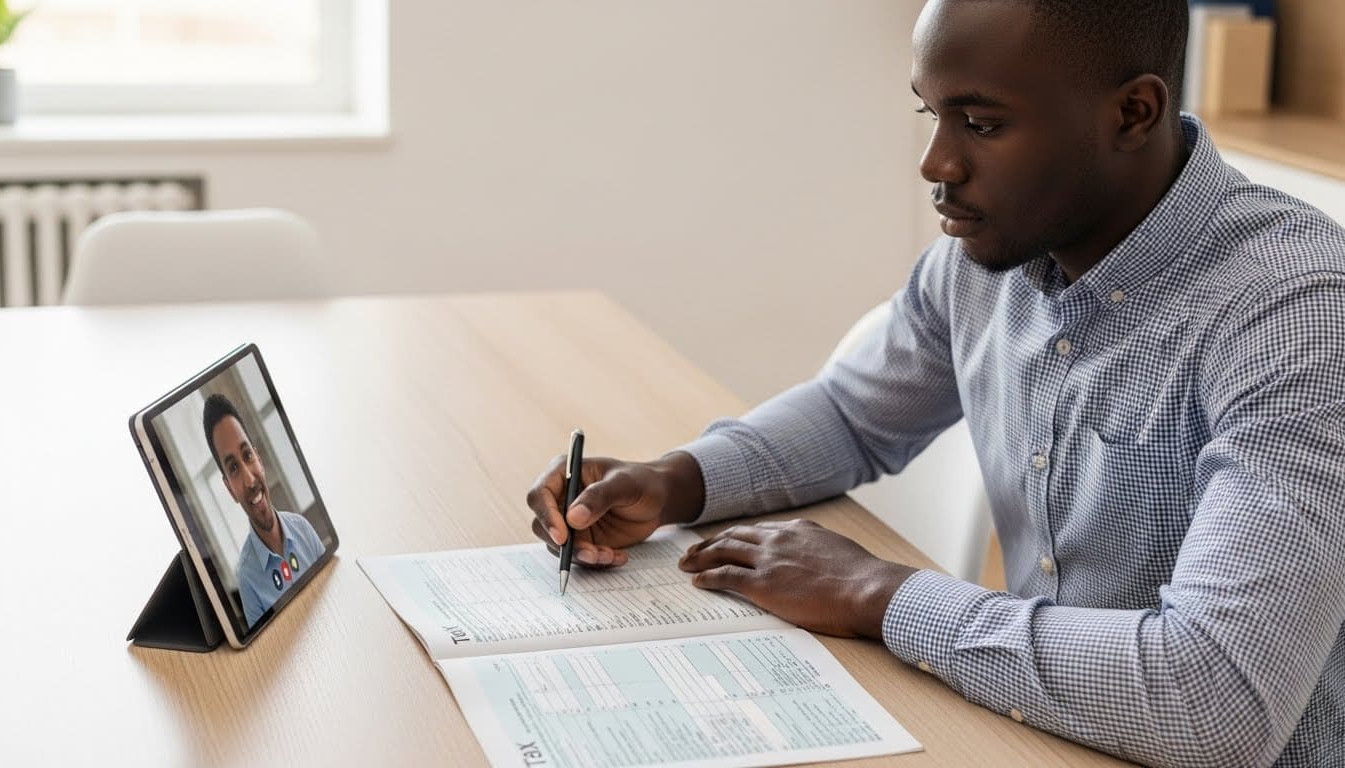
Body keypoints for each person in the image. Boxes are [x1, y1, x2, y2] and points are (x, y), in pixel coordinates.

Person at [526, 1, 1345, 765]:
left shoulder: (1297, 313)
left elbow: (1214, 698)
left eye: (981, 124)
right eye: (932, 115)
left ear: (1131, 113)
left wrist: (874, 592)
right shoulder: (989, 256)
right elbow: (851, 415)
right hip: (1043, 732)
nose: (935, 163)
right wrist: (676, 481)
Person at [202, 393, 325, 627]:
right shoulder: (247, 578)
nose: (250, 480)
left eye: (248, 456)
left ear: (259, 459)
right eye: (234, 468)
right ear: (229, 489)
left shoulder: (302, 528)